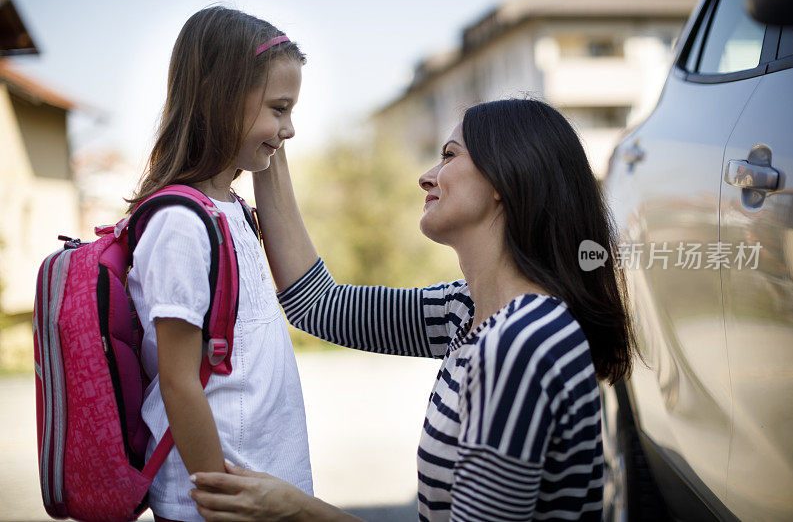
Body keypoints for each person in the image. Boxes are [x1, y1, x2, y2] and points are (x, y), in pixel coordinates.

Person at [191, 98, 636, 521]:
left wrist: (296, 511)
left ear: (504, 178)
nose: (427, 177)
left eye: (448, 156)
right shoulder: (467, 311)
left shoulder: (519, 344)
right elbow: (318, 306)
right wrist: (271, 137)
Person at [125, 6, 312, 522]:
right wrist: (217, 499)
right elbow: (178, 379)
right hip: (221, 502)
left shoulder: (229, 208)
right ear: (221, 98)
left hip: (265, 486)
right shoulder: (181, 224)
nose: (289, 128)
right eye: (279, 108)